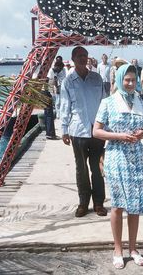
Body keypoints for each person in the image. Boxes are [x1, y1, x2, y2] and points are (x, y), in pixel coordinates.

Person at [93, 64, 143, 269]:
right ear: (120, 79)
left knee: (135, 204)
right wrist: (119, 136)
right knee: (118, 204)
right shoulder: (108, 102)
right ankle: (117, 249)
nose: (130, 83)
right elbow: (96, 131)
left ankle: (133, 248)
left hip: (137, 157)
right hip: (116, 156)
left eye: (133, 79)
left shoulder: (139, 100)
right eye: (127, 79)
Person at [60, 46, 106, 218]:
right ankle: (83, 203)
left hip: (96, 130)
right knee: (81, 169)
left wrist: (106, 126)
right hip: (77, 130)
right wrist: (64, 129)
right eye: (79, 56)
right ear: (72, 59)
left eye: (85, 56)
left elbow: (104, 102)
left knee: (97, 167)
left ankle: (99, 203)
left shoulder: (97, 78)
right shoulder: (68, 81)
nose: (82, 58)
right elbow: (64, 106)